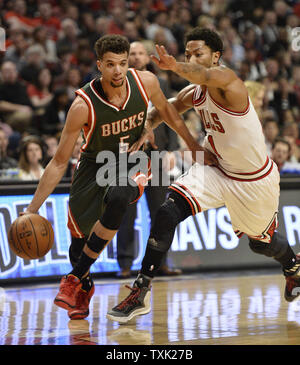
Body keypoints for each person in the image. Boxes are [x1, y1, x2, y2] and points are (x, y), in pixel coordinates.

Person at [107, 27, 300, 324]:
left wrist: (176, 66)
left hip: (253, 180)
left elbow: (205, 76)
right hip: (214, 168)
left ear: (216, 56)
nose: (193, 58)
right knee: (166, 213)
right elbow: (168, 107)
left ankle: (292, 266)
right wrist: (147, 125)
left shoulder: (228, 80)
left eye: (199, 54)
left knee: (260, 243)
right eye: (188, 54)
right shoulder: (194, 91)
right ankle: (140, 291)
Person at [21, 34, 215, 321]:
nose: (118, 71)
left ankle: (73, 278)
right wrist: (33, 208)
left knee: (122, 194)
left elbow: (170, 114)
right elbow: (59, 161)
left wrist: (194, 145)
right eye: (110, 64)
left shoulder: (146, 82)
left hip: (134, 158)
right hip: (94, 165)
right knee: (79, 240)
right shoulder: (82, 105)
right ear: (100, 65)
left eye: (122, 63)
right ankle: (84, 285)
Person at [116, 41, 182, 278]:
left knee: (161, 212)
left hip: (157, 153)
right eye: (131, 53)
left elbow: (170, 114)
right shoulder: (118, 84)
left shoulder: (160, 83)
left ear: (147, 57)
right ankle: (124, 264)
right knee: (126, 212)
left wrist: (172, 149)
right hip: (129, 155)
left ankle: (161, 262)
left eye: (140, 53)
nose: (136, 57)